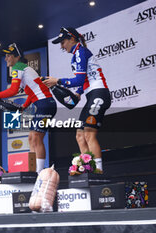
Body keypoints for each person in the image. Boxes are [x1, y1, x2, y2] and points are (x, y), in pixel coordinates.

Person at [43, 27, 111, 172]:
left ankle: (98, 172)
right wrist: (79, 93)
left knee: (88, 132)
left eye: (63, 42)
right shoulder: (76, 54)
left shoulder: (80, 52)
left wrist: (58, 81)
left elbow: (79, 79)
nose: (61, 46)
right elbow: (85, 78)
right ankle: (88, 168)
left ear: (72, 39)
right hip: (91, 94)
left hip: (99, 93)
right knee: (80, 135)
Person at [0, 43, 57, 173]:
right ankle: (34, 170)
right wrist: (24, 106)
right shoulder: (24, 68)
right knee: (31, 137)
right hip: (45, 105)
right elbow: (32, 91)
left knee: (36, 137)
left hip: (45, 105)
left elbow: (13, 90)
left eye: (8, 56)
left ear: (16, 57)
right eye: (5, 56)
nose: (6, 58)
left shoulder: (18, 67)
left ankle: (39, 174)